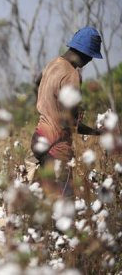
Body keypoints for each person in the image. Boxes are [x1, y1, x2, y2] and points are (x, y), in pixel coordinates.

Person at [30, 26, 103, 196]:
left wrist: (46, 103)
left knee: (42, 197)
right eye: (91, 57)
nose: (90, 61)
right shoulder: (72, 74)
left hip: (39, 137)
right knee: (64, 200)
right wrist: (96, 131)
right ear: (85, 54)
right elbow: (69, 122)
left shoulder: (53, 63)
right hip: (56, 145)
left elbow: (36, 81)